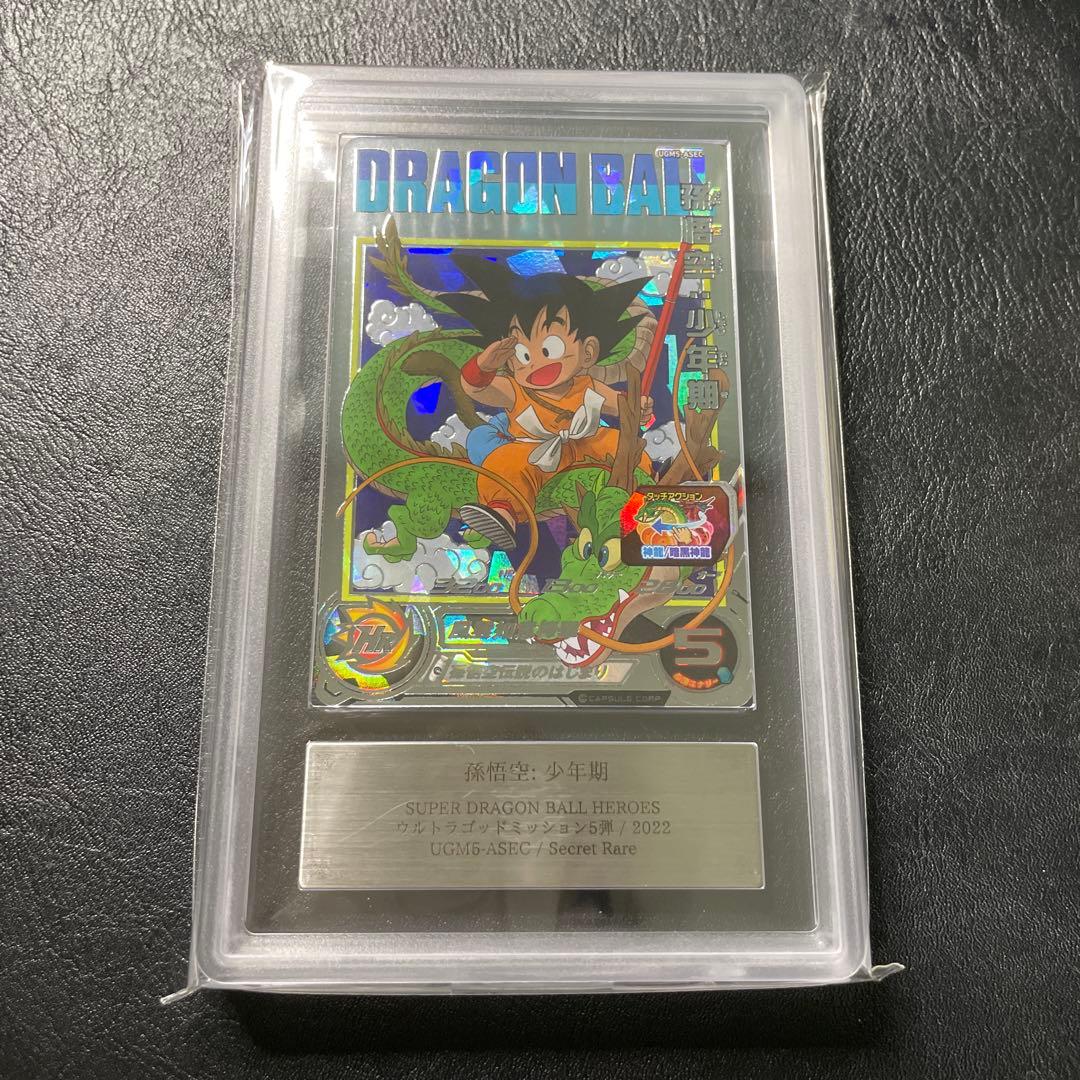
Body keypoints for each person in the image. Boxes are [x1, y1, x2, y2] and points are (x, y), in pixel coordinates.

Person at [443, 254, 654, 549]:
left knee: (625, 446)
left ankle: (643, 502)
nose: (536, 363)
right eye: (523, 354)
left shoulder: (588, 386)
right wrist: (484, 365)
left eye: (549, 348)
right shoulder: (514, 390)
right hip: (532, 452)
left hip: (586, 445)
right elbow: (475, 389)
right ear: (510, 361)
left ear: (588, 352)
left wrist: (639, 410)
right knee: (504, 463)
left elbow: (622, 406)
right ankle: (503, 513)